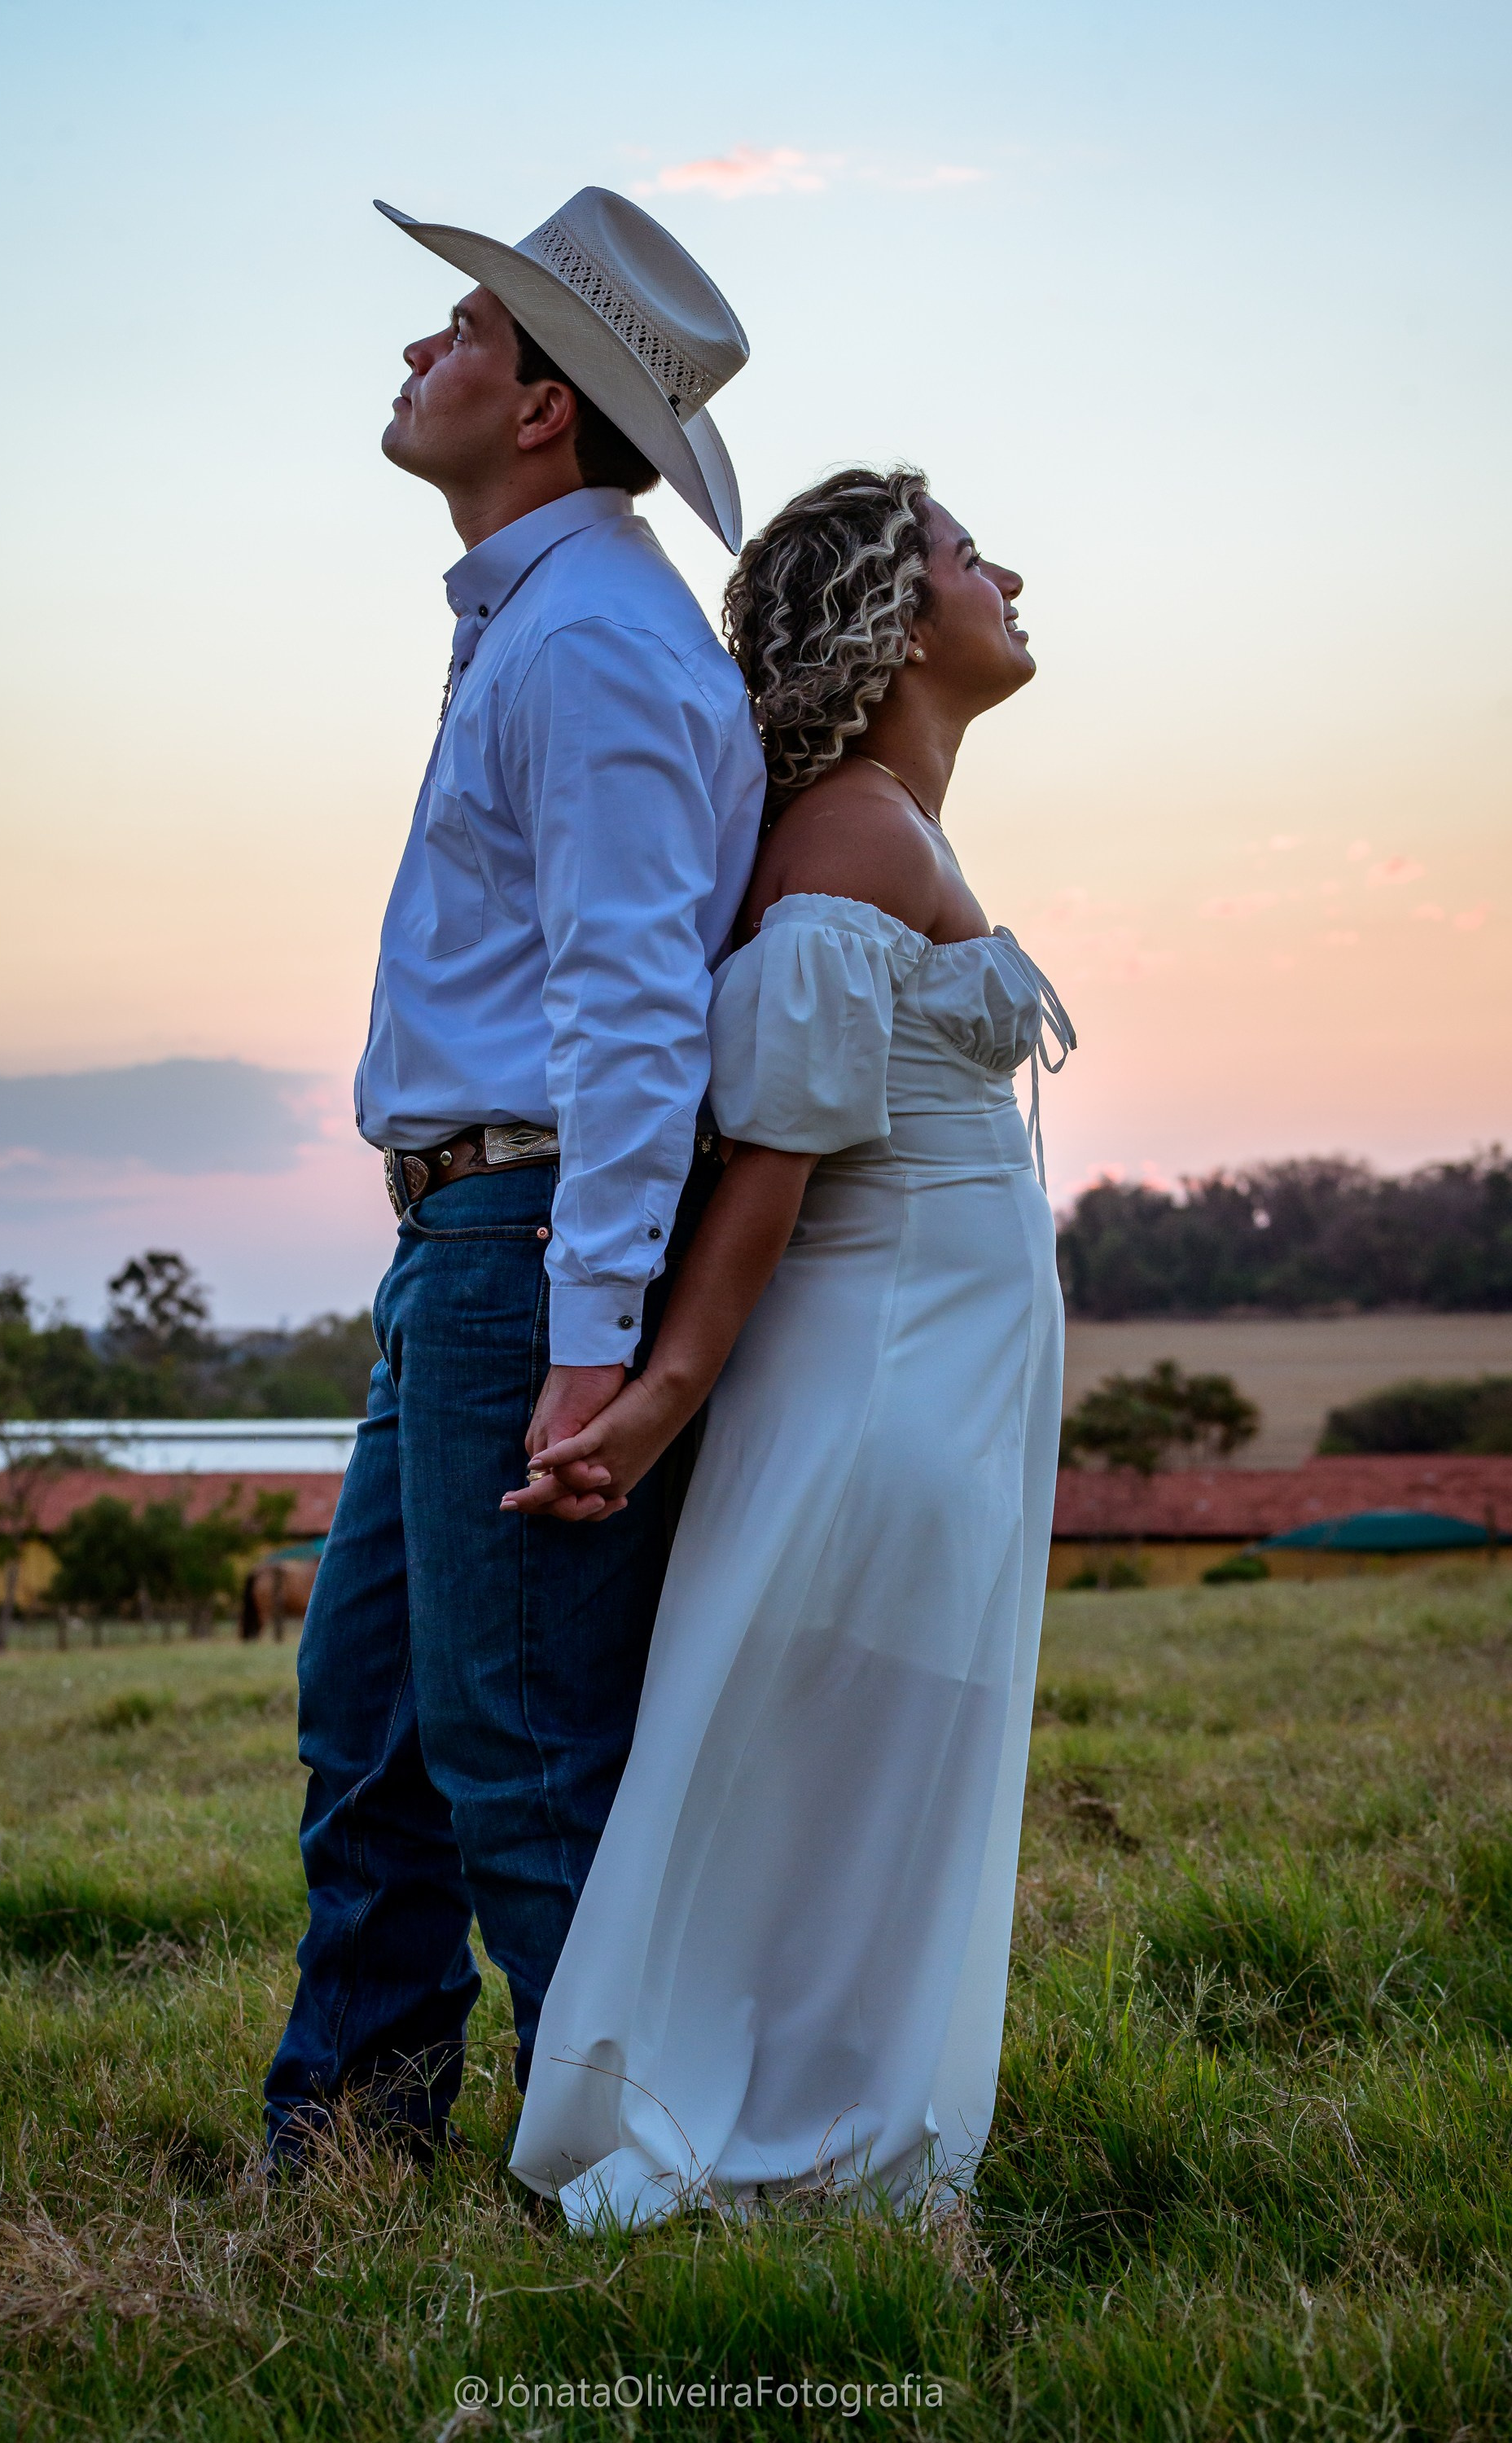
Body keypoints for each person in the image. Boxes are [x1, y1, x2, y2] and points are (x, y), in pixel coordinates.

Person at [504, 466, 1076, 2226]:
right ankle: (804, 2160)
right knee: (847, 1772)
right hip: (883, 1386)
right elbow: (772, 1166)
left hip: (942, 1390)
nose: (1012, 575)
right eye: (973, 556)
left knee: (879, 1774)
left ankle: (839, 2142)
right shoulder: (845, 832)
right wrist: (659, 1396)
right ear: (897, 617)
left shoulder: (891, 823)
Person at [261, 188, 764, 2166]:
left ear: (544, 406)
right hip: (465, 1235)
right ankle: (350, 2146)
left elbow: (635, 1015)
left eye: (457, 329)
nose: (415, 354)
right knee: (373, 1731)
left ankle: (633, 2182)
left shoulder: (593, 649)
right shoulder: (542, 625)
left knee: (523, 1744)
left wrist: (589, 1332)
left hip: (526, 1236)